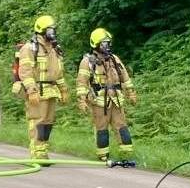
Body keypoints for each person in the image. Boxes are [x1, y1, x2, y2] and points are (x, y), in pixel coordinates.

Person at [76, 28, 138, 163]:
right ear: (96, 45)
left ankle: (126, 154)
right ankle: (103, 156)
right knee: (102, 129)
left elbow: (125, 76)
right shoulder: (88, 62)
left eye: (108, 43)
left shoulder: (114, 59)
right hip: (99, 102)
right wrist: (82, 100)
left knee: (121, 126)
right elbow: (82, 83)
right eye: (104, 43)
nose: (107, 46)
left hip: (116, 99)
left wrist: (131, 92)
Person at [17, 15, 69, 159]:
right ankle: (36, 153)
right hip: (37, 91)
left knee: (48, 123)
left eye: (53, 30)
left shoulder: (54, 49)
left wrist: (63, 89)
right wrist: (31, 91)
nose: (52, 33)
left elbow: (57, 72)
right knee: (37, 121)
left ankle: (43, 152)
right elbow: (25, 72)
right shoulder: (29, 48)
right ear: (42, 31)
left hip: (51, 91)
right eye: (50, 30)